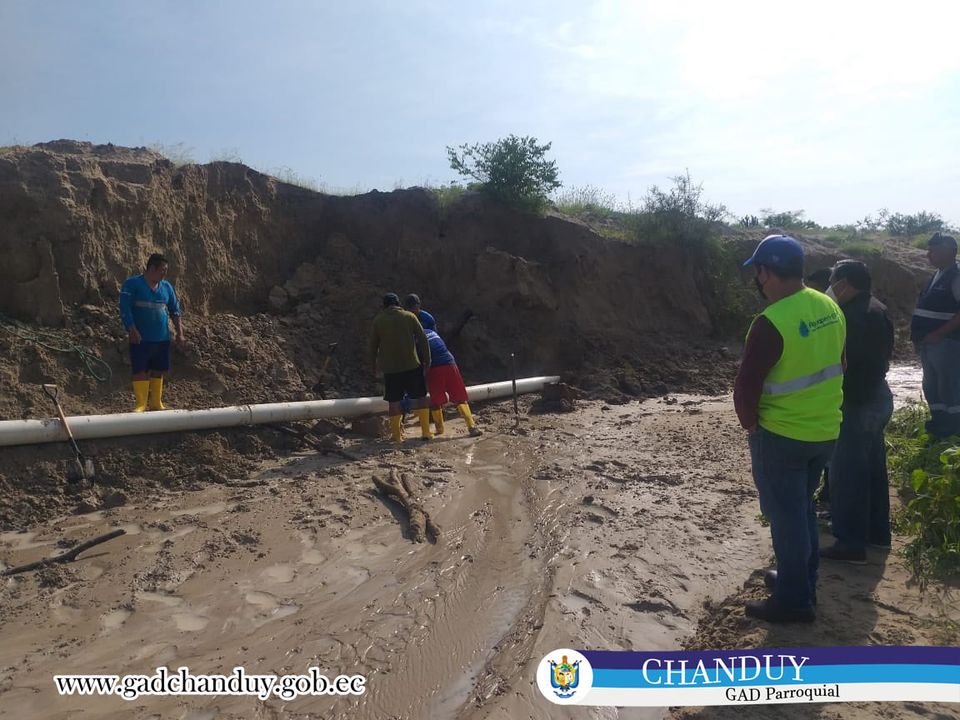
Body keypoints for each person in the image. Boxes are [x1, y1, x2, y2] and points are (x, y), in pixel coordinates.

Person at [734, 235, 846, 623]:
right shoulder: (829, 306)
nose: (757, 280)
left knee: (787, 520)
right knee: (802, 511)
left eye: (758, 272)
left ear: (766, 272)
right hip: (824, 431)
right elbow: (841, 362)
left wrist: (751, 425)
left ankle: (794, 602)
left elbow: (746, 385)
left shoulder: (771, 322)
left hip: (782, 436)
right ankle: (802, 581)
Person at [819, 260, 894, 564]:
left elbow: (848, 365)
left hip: (856, 402)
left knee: (847, 473)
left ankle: (850, 543)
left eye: (833, 280)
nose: (830, 287)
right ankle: (877, 534)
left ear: (846, 283)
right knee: (873, 469)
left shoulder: (850, 316)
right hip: (878, 396)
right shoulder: (878, 309)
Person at [119, 253, 184, 412]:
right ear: (152, 268)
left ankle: (156, 402)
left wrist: (180, 333)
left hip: (161, 338)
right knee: (140, 369)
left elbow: (175, 311)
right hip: (140, 338)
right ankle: (141, 404)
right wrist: (131, 329)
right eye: (163, 270)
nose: (164, 274)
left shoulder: (166, 287)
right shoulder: (132, 284)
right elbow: (125, 308)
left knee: (158, 370)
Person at [910, 232, 960, 438]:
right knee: (931, 385)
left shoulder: (956, 276)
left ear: (950, 251)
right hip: (930, 343)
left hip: (947, 343)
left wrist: (939, 333)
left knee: (949, 386)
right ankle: (939, 426)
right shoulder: (937, 275)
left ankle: (953, 431)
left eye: (933, 250)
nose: (928, 255)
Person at [369, 293, 432, 442]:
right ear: (398, 304)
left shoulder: (378, 321)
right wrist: (427, 360)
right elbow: (423, 338)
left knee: (394, 401)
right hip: (412, 365)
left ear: (384, 306)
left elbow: (372, 347)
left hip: (391, 369)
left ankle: (397, 436)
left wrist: (373, 366)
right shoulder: (409, 317)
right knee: (421, 396)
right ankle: (426, 432)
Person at [418, 313, 482, 437]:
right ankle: (472, 426)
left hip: (435, 367)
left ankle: (439, 429)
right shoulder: (433, 333)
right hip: (450, 363)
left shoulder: (415, 337)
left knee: (435, 401)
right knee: (460, 397)